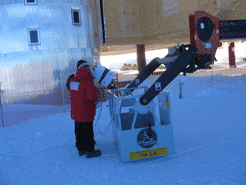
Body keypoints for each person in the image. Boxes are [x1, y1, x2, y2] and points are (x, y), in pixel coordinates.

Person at [67, 60, 101, 158]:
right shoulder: (88, 83)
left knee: (78, 130)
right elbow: (93, 98)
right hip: (86, 112)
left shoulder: (73, 81)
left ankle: (80, 149)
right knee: (88, 131)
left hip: (76, 112)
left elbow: (73, 90)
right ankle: (90, 151)